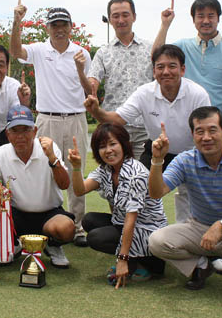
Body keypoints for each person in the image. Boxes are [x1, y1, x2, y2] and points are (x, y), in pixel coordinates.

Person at [147, 106, 222, 300]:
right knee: (156, 241)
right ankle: (200, 267)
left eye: (212, 130)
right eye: (200, 131)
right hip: (199, 230)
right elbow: (156, 193)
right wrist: (157, 160)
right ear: (192, 135)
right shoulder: (185, 160)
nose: (206, 137)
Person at [85, 44, 210, 224]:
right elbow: (116, 119)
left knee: (194, 195)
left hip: (191, 153)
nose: (166, 71)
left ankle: (194, 237)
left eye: (172, 66)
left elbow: (204, 133)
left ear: (182, 70)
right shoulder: (144, 93)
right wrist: (96, 111)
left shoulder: (198, 94)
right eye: (160, 67)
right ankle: (138, 233)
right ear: (154, 71)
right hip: (156, 151)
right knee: (135, 186)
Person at [10, 0, 90, 247]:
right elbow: (15, 51)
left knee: (76, 172)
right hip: (47, 119)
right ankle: (46, 222)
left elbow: (89, 89)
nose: (59, 29)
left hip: (76, 118)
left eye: (63, 24)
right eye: (54, 24)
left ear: (70, 26)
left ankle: (76, 226)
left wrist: (79, 69)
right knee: (46, 172)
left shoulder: (82, 53)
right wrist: (16, 22)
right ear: (47, 28)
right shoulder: (39, 49)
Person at [0, 105, 75, 268]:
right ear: (7, 134)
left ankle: (52, 245)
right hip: (15, 216)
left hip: (49, 214)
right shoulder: (1, 153)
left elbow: (64, 184)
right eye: (15, 130)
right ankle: (13, 242)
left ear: (35, 131)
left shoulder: (48, 149)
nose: (20, 136)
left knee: (66, 228)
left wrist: (53, 159)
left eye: (25, 130)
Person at [69, 123, 167, 289]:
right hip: (127, 225)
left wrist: (122, 259)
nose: (108, 150)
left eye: (113, 144)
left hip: (147, 232)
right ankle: (134, 258)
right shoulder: (106, 170)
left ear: (123, 144)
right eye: (102, 146)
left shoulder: (136, 174)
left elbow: (131, 220)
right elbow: (79, 190)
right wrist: (77, 168)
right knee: (90, 220)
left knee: (96, 237)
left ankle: (141, 265)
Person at [87, 0, 172, 160]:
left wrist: (165, 25)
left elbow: (159, 56)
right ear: (110, 19)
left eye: (125, 14)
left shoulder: (148, 48)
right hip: (114, 128)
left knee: (145, 178)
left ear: (134, 16)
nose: (121, 20)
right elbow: (92, 83)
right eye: (116, 16)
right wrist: (90, 90)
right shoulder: (103, 52)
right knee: (114, 179)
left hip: (145, 127)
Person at [151, 0, 222, 141]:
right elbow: (156, 57)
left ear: (218, 18)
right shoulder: (182, 46)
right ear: (193, 19)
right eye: (200, 16)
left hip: (221, 126)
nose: (206, 21)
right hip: (187, 124)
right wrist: (165, 25)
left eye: (211, 16)